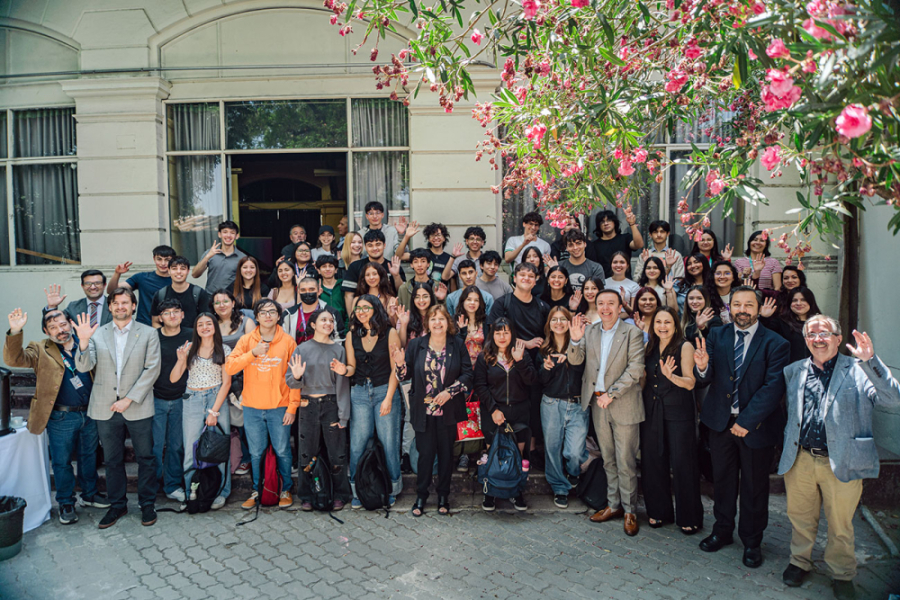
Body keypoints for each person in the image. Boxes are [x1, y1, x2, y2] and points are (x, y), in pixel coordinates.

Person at [778, 318, 900, 599]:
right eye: (812, 334)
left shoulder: (859, 370)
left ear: (838, 337)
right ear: (806, 339)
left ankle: (842, 573)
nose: (818, 339)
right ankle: (799, 562)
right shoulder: (794, 370)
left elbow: (892, 399)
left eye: (824, 334)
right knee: (800, 517)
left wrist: (872, 362)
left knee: (841, 524)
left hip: (843, 460)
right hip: (801, 459)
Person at [693, 286, 790, 568]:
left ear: (758, 309)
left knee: (753, 486)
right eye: (737, 304)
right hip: (720, 424)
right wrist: (701, 368)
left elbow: (774, 388)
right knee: (722, 482)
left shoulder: (776, 343)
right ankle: (722, 531)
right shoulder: (717, 335)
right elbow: (707, 376)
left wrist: (746, 422)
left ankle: (751, 540)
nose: (742, 310)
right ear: (729, 308)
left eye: (748, 304)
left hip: (755, 427)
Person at [4, 308, 110, 525]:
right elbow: (14, 359)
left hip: (89, 413)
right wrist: (15, 331)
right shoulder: (40, 348)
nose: (60, 330)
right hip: (61, 417)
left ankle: (89, 494)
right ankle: (66, 502)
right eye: (52, 327)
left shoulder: (88, 342)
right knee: (61, 462)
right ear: (46, 331)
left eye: (62, 325)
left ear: (70, 324)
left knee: (89, 456)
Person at [73, 288, 161, 529]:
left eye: (125, 302)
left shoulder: (149, 333)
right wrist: (82, 342)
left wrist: (129, 399)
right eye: (116, 303)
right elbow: (84, 366)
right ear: (109, 307)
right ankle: (117, 505)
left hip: (138, 406)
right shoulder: (97, 334)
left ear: (133, 306)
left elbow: (152, 369)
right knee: (112, 460)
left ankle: (147, 504)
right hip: (105, 406)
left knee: (146, 457)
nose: (121, 306)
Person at [568, 289, 645, 536]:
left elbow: (635, 369)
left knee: (626, 461)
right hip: (597, 404)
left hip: (622, 403)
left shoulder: (633, 332)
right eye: (601, 303)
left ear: (620, 305)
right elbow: (577, 361)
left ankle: (630, 510)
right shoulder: (590, 331)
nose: (605, 308)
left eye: (611, 303)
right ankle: (613, 505)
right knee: (609, 459)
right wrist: (575, 340)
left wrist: (612, 394)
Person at [394, 305, 473, 516]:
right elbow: (404, 376)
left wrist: (451, 392)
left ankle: (443, 496)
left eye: (441, 319)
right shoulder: (416, 345)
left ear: (448, 322)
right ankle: (421, 496)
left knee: (446, 456)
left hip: (448, 410)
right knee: (425, 455)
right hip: (423, 411)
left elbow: (467, 375)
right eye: (433, 319)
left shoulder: (457, 344)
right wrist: (401, 365)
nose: (437, 323)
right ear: (427, 323)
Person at [224, 299, 300, 510]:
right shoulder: (247, 340)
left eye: (272, 312)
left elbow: (295, 377)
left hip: (280, 407)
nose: (268, 315)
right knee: (256, 453)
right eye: (263, 312)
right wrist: (253, 353)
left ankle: (285, 489)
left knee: (283, 450)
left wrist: (292, 407)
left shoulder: (288, 342)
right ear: (256, 317)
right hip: (252, 407)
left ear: (278, 316)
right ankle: (257, 490)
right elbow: (230, 367)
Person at [640, 307, 703, 534]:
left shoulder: (684, 345)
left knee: (683, 463)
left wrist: (671, 376)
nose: (662, 326)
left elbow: (690, 383)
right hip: (652, 410)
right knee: (653, 462)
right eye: (658, 322)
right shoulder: (650, 346)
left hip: (679, 412)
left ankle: (689, 516)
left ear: (675, 325)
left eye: (667, 322)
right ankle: (658, 512)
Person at [286, 309, 352, 511]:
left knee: (337, 453)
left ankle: (340, 494)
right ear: (313, 324)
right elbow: (291, 382)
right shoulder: (301, 349)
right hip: (308, 406)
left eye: (331, 320)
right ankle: (307, 495)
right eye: (323, 320)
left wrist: (344, 415)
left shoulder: (338, 350)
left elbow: (342, 385)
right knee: (306, 453)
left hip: (331, 405)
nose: (328, 323)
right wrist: (297, 377)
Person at [344, 295, 404, 507]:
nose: (360, 311)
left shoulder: (390, 333)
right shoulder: (351, 335)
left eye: (365, 308)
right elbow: (351, 366)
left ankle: (392, 489)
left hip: (384, 391)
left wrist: (388, 398)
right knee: (357, 443)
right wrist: (344, 370)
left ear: (375, 309)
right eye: (357, 308)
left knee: (389, 443)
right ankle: (357, 489)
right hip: (359, 392)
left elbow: (395, 369)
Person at [170, 313, 233, 510]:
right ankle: (192, 494)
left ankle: (221, 492)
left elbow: (227, 382)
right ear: (196, 328)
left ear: (215, 326)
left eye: (208, 324)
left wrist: (214, 412)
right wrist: (181, 360)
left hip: (216, 398)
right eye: (200, 324)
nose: (205, 327)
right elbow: (174, 378)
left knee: (219, 448)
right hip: (192, 400)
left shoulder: (224, 349)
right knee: (191, 448)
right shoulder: (190, 348)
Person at [474, 319, 536, 511]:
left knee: (517, 454)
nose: (502, 337)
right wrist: (493, 409)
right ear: (492, 335)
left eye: (506, 332)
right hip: (493, 412)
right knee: (493, 453)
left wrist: (520, 362)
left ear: (512, 334)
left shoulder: (521, 354)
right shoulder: (485, 357)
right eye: (498, 333)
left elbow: (532, 381)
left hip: (518, 411)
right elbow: (480, 386)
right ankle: (490, 491)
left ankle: (516, 492)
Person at [489, 262, 551, 452]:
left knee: (532, 407)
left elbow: (550, 334)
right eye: (522, 275)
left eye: (531, 276)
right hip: (506, 365)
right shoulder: (502, 303)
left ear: (536, 280)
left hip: (533, 366)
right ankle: (502, 451)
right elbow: (493, 331)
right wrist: (526, 343)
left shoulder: (542, 306)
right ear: (514, 278)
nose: (526, 278)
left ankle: (530, 452)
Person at [538, 308, 588, 509]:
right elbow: (539, 381)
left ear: (569, 322)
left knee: (575, 451)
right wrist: (545, 368)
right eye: (554, 320)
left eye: (563, 319)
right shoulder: (543, 349)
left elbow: (585, 371)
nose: (558, 323)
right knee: (552, 449)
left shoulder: (580, 344)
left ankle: (573, 471)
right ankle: (559, 487)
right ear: (549, 324)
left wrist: (572, 352)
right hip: (551, 403)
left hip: (577, 404)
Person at [151, 299, 192, 504]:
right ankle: (152, 485)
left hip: (182, 399)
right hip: (156, 398)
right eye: (167, 313)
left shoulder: (191, 336)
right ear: (160, 318)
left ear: (183, 315)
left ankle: (173, 485)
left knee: (176, 446)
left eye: (176, 311)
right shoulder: (153, 337)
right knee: (155, 446)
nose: (172, 316)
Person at [212, 289, 255, 476]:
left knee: (246, 421)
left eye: (225, 301)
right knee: (229, 421)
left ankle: (252, 458)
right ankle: (237, 457)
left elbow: (254, 351)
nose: (222, 305)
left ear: (233, 302)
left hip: (245, 378)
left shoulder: (246, 322)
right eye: (217, 302)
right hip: (220, 378)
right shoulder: (211, 324)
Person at [454, 284, 489, 472]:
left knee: (481, 411)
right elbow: (454, 347)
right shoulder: (456, 321)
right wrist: (461, 331)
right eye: (469, 299)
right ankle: (464, 454)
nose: (472, 303)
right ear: (463, 302)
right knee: (465, 412)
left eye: (476, 299)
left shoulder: (486, 322)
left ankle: (482, 450)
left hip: (482, 373)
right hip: (463, 374)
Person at [107, 245, 175, 326]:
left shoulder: (177, 281)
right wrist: (117, 273)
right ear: (154, 259)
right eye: (159, 259)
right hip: (143, 325)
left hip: (168, 327)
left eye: (167, 260)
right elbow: (111, 291)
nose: (163, 263)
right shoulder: (142, 277)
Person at [342, 229, 405, 309]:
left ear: (384, 245)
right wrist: (352, 318)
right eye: (370, 245)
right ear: (365, 247)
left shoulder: (394, 265)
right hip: (362, 314)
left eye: (378, 244)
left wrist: (396, 276)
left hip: (389, 313)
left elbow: (401, 292)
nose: (374, 248)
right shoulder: (355, 266)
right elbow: (349, 295)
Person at [760, 287, 821, 363]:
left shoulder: (821, 323)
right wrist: (764, 318)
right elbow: (761, 336)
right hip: (788, 370)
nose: (798, 303)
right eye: (794, 300)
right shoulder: (781, 322)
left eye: (803, 300)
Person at [150, 256, 211, 329]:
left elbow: (206, 320)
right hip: (169, 338)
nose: (178, 271)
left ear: (188, 271)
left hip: (194, 338)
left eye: (182, 268)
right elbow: (155, 322)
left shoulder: (199, 293)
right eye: (174, 268)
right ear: (169, 271)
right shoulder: (160, 294)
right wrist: (165, 336)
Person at [585, 206, 644, 279]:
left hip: (625, 284)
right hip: (604, 285)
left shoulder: (625, 238)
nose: (606, 223)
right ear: (598, 226)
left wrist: (632, 224)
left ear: (614, 222)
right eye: (602, 221)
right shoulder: (594, 245)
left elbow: (639, 245)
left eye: (609, 220)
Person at [282, 277, 345, 344]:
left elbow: (339, 340)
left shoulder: (332, 313)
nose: (307, 293)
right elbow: (284, 341)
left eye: (311, 289)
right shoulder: (288, 314)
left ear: (319, 291)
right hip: (297, 353)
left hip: (325, 353)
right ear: (298, 292)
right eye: (303, 290)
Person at [43, 270, 112, 327]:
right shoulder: (73, 307)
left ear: (104, 285)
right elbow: (52, 325)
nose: (93, 287)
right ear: (82, 286)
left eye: (97, 283)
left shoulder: (114, 305)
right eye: (88, 283)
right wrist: (52, 307)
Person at [193, 221, 246, 293]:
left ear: (237, 236)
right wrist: (207, 257)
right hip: (210, 297)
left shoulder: (242, 257)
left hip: (232, 298)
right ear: (219, 234)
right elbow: (195, 274)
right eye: (225, 232)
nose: (228, 235)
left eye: (232, 233)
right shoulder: (210, 253)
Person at [397, 281, 437, 348]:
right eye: (417, 297)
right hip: (412, 357)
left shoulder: (437, 317)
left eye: (425, 296)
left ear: (431, 298)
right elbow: (401, 344)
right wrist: (404, 324)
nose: (421, 300)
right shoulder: (405, 316)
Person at [316, 254, 348, 329]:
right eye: (324, 266)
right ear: (318, 270)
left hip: (341, 328)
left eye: (331, 266)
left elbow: (348, 311)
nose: (327, 269)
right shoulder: (315, 287)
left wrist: (346, 329)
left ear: (336, 270)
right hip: (321, 328)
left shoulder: (343, 285)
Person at [709, 259, 741, 325]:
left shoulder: (741, 295)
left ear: (733, 277)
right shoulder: (707, 297)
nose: (722, 276)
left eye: (727, 273)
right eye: (718, 273)